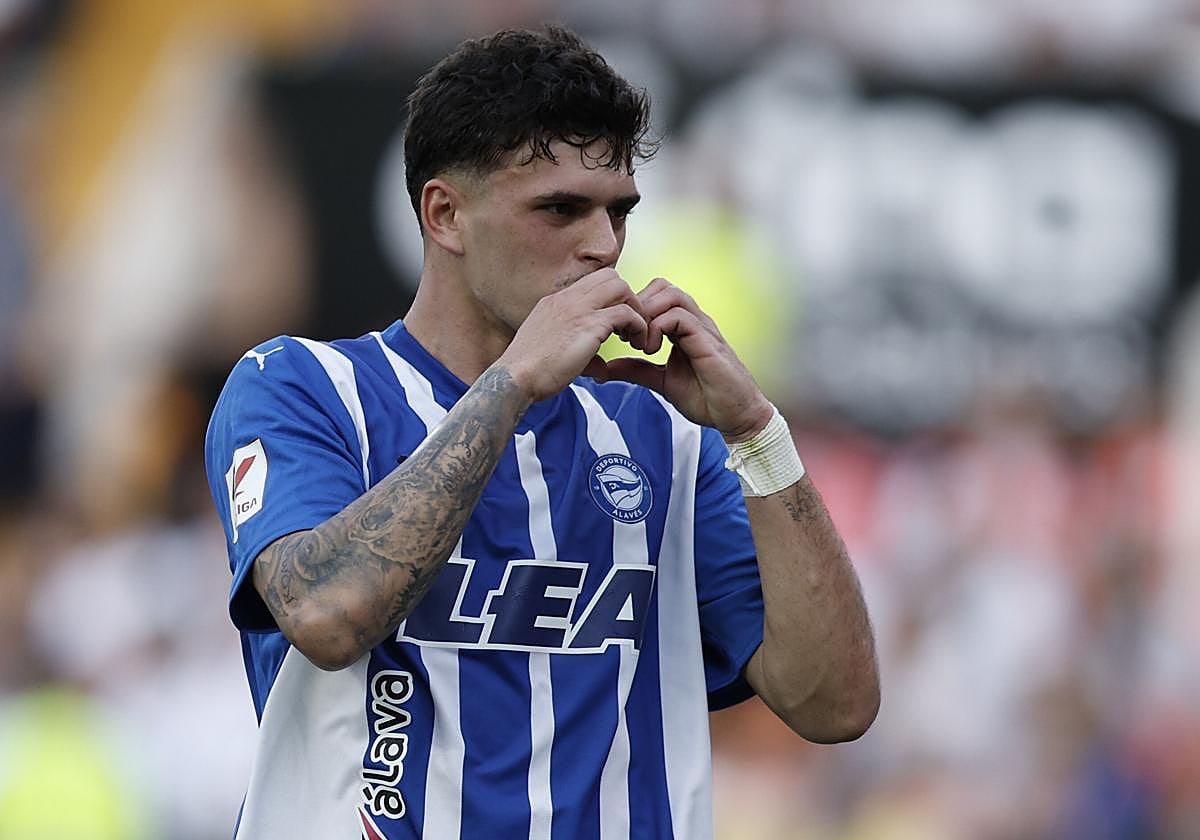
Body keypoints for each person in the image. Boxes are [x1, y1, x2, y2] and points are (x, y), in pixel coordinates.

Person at [205, 25, 878, 840]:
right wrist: (513, 385)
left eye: (618, 212)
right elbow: (326, 615)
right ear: (445, 214)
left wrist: (757, 433)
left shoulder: (662, 435)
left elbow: (835, 704)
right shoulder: (304, 387)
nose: (602, 246)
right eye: (559, 208)